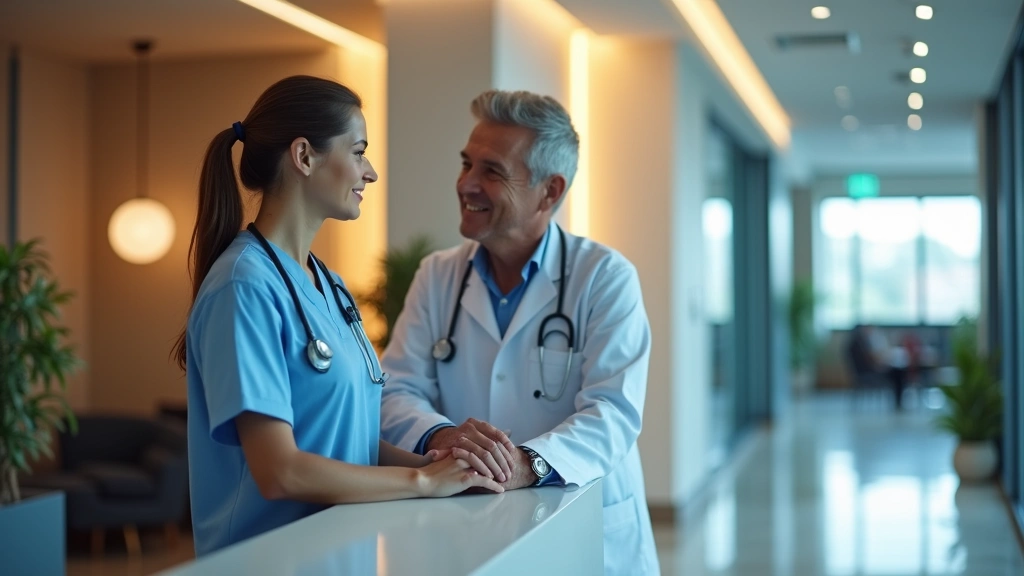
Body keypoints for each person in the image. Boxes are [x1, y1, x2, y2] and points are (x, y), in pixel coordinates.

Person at [172, 76, 502, 557]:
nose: (370, 173)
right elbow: (280, 470)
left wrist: (445, 465)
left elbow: (354, 440)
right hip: (265, 563)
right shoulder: (243, 287)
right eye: (359, 151)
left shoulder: (329, 284)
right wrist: (422, 481)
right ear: (304, 156)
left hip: (341, 555)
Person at [379, 89, 659, 575]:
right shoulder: (437, 275)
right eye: (466, 164)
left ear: (550, 191)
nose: (466, 184)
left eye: (491, 171)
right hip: (466, 527)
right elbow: (397, 388)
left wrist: (523, 465)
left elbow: (613, 412)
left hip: (582, 528)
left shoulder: (605, 277)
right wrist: (447, 437)